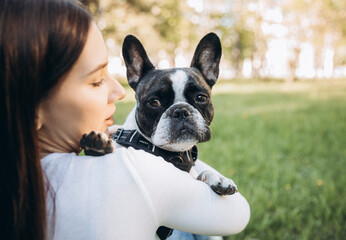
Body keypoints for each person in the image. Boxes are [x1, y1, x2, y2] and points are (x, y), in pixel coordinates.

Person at [0, 0, 250, 239]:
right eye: (96, 80)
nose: (119, 92)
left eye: (198, 98)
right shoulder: (136, 172)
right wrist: (184, 158)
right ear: (32, 108)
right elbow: (238, 213)